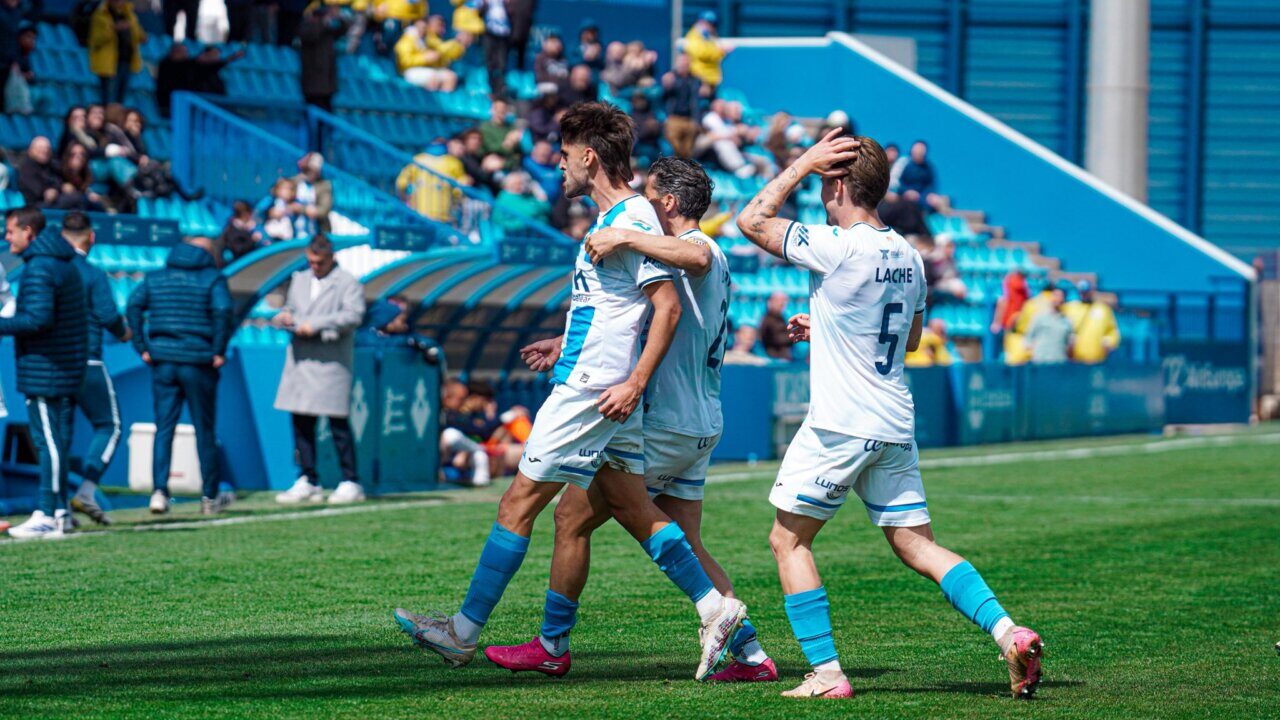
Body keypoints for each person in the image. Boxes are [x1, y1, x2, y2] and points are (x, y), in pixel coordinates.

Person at [392, 103, 747, 681]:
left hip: (590, 388)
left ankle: (461, 633)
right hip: (599, 382)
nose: (557, 169)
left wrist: (632, 380)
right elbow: (621, 305)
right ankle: (715, 608)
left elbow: (667, 306)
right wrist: (565, 339)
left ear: (588, 157)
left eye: (562, 157)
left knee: (518, 503)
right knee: (634, 508)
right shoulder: (619, 220)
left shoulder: (631, 218)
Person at [736, 131, 1044, 700]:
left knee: (788, 542)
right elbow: (910, 339)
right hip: (893, 421)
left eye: (824, 181)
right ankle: (1009, 632)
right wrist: (828, 324)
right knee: (915, 544)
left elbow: (751, 220)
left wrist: (801, 162)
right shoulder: (910, 254)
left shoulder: (836, 244)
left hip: (840, 423)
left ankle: (827, 674)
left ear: (837, 183)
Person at [547, 156, 777, 681]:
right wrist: (563, 341)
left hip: (666, 422)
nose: (640, 206)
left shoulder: (699, 252)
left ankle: (551, 643)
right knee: (688, 542)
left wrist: (624, 236)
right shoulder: (702, 258)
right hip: (699, 423)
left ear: (668, 203)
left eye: (648, 197)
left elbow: (691, 258)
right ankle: (753, 656)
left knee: (570, 517)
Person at [126, 237, 233, 516]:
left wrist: (142, 346)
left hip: (164, 361)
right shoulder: (213, 278)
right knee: (204, 429)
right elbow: (223, 311)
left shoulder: (155, 277)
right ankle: (209, 496)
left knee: (164, 428)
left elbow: (133, 306)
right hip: (199, 361)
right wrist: (219, 349)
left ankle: (159, 491)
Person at [1, 208, 88, 539]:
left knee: (48, 441)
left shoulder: (40, 268)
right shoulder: (58, 263)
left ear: (29, 232)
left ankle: (47, 513)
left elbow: (37, 319)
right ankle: (60, 510)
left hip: (46, 366)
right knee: (55, 440)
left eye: (11, 232)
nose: (7, 238)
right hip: (58, 364)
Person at [273, 235, 368, 505]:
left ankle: (351, 480)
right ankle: (308, 478)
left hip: (331, 361)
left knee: (337, 423)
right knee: (302, 423)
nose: (314, 266)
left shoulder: (348, 282)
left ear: (331, 258)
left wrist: (316, 324)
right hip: (301, 360)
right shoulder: (299, 278)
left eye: (320, 262)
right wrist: (286, 316)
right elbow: (292, 306)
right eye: (311, 261)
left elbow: (353, 315)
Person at [61, 213, 131, 526]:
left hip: (53, 362)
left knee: (57, 435)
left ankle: (57, 508)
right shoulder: (91, 273)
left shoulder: (48, 269)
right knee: (110, 425)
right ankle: (86, 491)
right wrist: (124, 332)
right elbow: (106, 314)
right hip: (86, 360)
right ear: (91, 238)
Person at [88, 0, 145, 106]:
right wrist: (114, 29)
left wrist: (142, 36)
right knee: (109, 98)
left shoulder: (129, 15)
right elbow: (95, 40)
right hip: (109, 64)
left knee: (121, 98)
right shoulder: (100, 15)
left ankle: (117, 120)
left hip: (127, 61)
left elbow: (139, 35)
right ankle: (108, 120)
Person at [396, 138, 468, 222]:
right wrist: (456, 204)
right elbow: (460, 189)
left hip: (419, 212)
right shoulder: (453, 163)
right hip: (443, 214)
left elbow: (401, 183)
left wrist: (405, 198)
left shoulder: (417, 160)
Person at [299, 5, 349, 111]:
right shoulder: (308, 27)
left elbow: (343, 29)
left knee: (327, 111)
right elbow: (311, 36)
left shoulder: (328, 31)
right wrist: (323, 23)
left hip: (327, 83)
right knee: (313, 111)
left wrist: (339, 18)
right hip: (312, 82)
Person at [1063, 280, 1120, 364]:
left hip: (1097, 360)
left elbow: (1113, 331)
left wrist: (1109, 343)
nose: (1084, 294)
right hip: (1075, 361)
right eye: (1082, 292)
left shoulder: (1103, 309)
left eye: (1087, 291)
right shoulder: (1069, 308)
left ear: (1092, 291)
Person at [662, 54, 701, 159]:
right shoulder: (671, 78)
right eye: (681, 63)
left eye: (686, 62)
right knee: (674, 148)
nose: (683, 65)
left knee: (688, 152)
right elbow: (663, 97)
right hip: (674, 118)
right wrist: (666, 86)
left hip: (690, 119)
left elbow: (696, 101)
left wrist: (696, 120)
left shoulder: (695, 80)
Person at [1024, 289, 1073, 364]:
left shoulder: (1067, 322)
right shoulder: (1039, 317)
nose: (1057, 299)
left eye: (1060, 296)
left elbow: (1069, 344)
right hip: (1041, 362)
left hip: (1059, 362)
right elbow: (1028, 338)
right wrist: (1034, 354)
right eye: (1055, 295)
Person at [683, 11, 729, 91]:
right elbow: (701, 53)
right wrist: (720, 52)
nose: (711, 27)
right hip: (700, 78)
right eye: (708, 23)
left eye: (713, 24)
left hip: (712, 79)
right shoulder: (693, 36)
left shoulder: (711, 36)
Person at [292, 153, 334, 235]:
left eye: (311, 170)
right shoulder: (295, 181)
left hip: (316, 232)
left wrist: (301, 209)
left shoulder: (324, 185)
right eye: (306, 170)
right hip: (295, 231)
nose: (308, 173)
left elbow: (323, 210)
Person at [478, 0, 511, 99]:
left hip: (504, 34)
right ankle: (490, 89)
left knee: (501, 64)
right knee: (489, 63)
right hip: (488, 32)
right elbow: (475, 10)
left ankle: (500, 91)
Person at [17, 136, 63, 208]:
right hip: (34, 205)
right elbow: (36, 189)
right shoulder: (27, 167)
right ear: (31, 150)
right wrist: (47, 192)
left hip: (53, 200)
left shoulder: (52, 166)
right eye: (40, 149)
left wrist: (58, 188)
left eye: (47, 149)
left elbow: (58, 181)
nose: (45, 151)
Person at [757, 290, 792, 361]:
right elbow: (773, 338)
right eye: (778, 301)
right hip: (773, 358)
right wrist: (793, 336)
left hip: (783, 357)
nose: (782, 304)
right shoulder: (767, 320)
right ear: (769, 302)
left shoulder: (781, 318)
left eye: (784, 302)